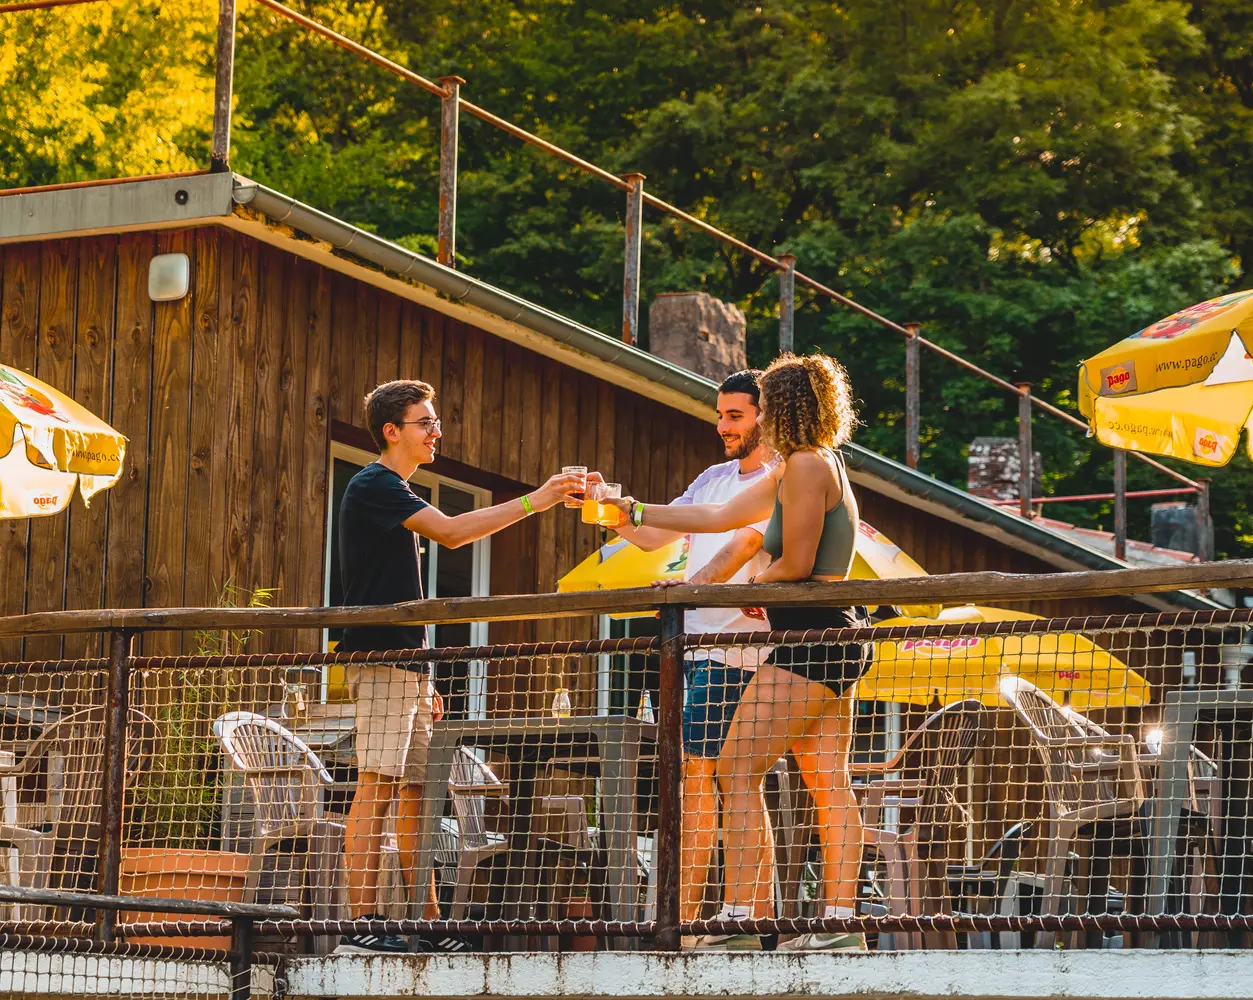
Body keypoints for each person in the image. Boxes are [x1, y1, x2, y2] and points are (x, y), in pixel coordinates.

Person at [610, 353, 868, 951]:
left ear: (786, 407)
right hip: (827, 636)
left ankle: (737, 917)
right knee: (829, 785)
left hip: (813, 639)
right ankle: (838, 924)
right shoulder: (802, 467)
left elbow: (799, 564)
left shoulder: (805, 466)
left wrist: (756, 587)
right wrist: (634, 512)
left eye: (767, 405)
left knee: (734, 769)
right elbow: (719, 515)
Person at [333, 379, 589, 955]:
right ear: (392, 431)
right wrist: (538, 499)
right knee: (375, 786)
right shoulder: (376, 484)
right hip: (380, 660)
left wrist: (425, 678)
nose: (437, 432)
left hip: (407, 666)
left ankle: (425, 923)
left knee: (420, 792)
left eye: (437, 420)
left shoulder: (393, 489)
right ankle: (363, 925)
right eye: (425, 423)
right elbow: (451, 533)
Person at [606, 370, 774, 930]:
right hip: (690, 646)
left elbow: (741, 547)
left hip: (736, 649)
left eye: (735, 415)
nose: (721, 424)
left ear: (765, 416)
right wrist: (612, 507)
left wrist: (686, 591)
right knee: (696, 780)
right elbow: (657, 535)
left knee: (710, 778)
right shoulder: (712, 477)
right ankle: (698, 916)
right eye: (720, 413)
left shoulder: (779, 478)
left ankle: (695, 919)